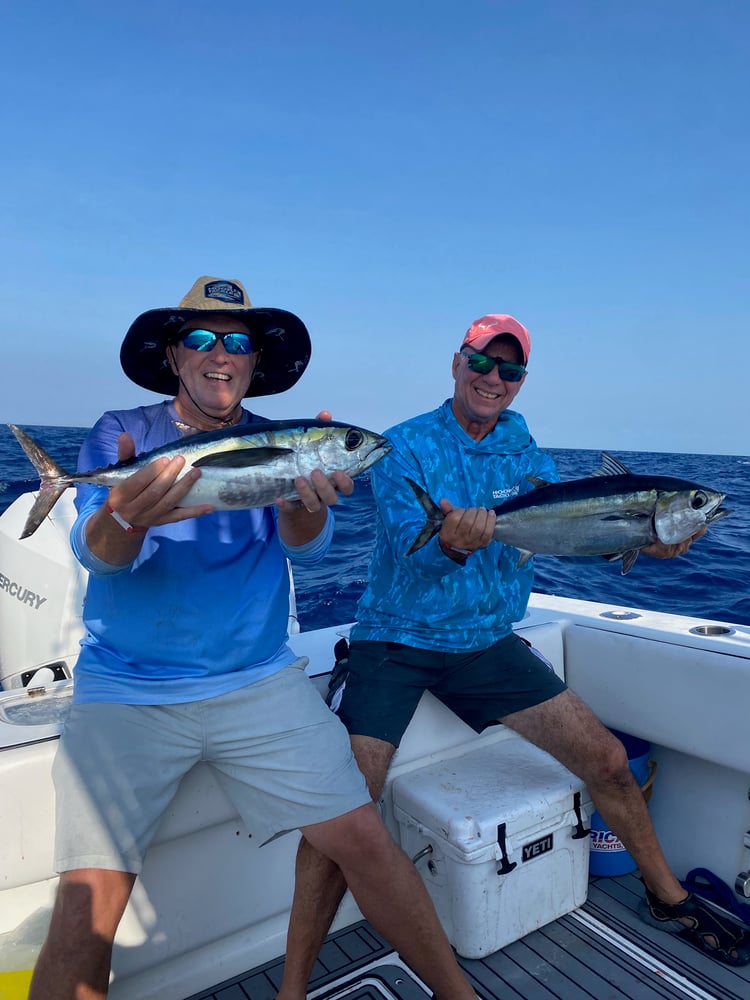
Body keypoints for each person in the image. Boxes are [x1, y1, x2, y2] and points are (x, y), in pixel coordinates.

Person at [28, 277, 479, 1000]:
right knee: (88, 902)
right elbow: (97, 551)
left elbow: (305, 543)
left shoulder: (284, 441)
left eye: (237, 342)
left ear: (253, 362)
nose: (220, 354)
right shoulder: (124, 432)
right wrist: (129, 516)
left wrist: (303, 495)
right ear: (175, 354)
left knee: (366, 840)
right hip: (127, 687)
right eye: (201, 338)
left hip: (257, 682)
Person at [278, 312, 750, 998]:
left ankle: (665, 893)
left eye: (511, 369)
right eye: (482, 362)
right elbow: (415, 567)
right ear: (456, 362)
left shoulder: (525, 451)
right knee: (344, 809)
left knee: (610, 762)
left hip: (487, 645)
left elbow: (569, 529)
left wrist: (644, 541)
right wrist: (451, 542)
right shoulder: (403, 446)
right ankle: (293, 988)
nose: (494, 378)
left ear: (522, 380)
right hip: (396, 639)